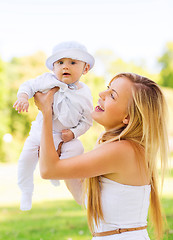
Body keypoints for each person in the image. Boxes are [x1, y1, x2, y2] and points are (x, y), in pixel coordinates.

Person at [34, 72, 169, 240]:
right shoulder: (116, 146)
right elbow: (83, 197)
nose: (101, 95)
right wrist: (66, 149)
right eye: (107, 89)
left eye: (112, 95)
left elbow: (48, 170)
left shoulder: (123, 150)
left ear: (127, 117)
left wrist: (47, 112)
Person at [13, 41, 95, 211]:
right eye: (60, 62)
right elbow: (28, 85)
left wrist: (73, 133)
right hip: (40, 133)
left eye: (72, 62)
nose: (65, 67)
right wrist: (22, 97)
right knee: (25, 161)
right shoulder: (46, 80)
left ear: (85, 69)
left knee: (76, 149)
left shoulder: (85, 93)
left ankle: (57, 171)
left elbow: (87, 120)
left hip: (64, 137)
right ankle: (26, 191)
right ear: (53, 67)